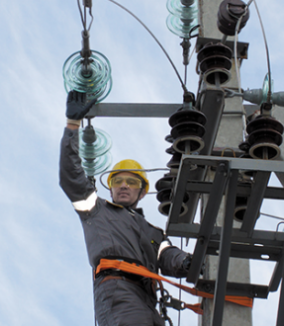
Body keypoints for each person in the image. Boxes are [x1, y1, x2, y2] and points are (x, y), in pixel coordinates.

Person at [59, 90, 195, 326]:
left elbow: (168, 256)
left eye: (131, 182)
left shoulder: (154, 233)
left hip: (147, 298)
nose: (123, 186)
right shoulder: (96, 209)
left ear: (142, 192)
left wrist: (190, 263)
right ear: (110, 189)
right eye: (117, 181)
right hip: (117, 290)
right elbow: (71, 176)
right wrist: (73, 125)